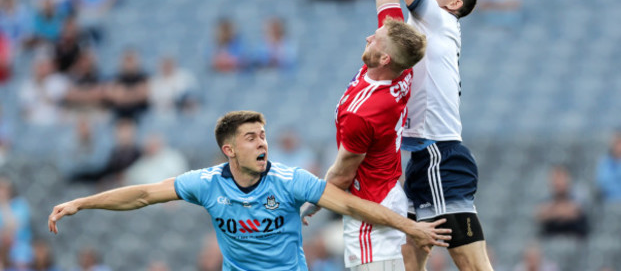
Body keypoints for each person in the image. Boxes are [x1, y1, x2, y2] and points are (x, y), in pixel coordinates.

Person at [48, 110, 452, 270]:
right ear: (229, 150)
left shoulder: (291, 181)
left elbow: (354, 206)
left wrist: (410, 227)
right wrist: (82, 202)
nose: (262, 143)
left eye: (263, 136)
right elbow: (141, 195)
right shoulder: (205, 184)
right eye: (251, 138)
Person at [303, 0, 428, 270]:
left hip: (371, 221)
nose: (369, 34)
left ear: (385, 55)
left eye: (375, 36)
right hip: (390, 194)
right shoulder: (394, 66)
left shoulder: (365, 110)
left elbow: (341, 175)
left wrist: (308, 202)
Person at [378, 0, 493, 270]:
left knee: (471, 262)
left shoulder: (440, 19)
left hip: (439, 153)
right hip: (423, 155)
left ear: (454, 2)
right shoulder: (433, 24)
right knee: (410, 252)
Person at [536, 165, 589, 238]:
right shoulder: (546, 195)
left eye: (560, 178)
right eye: (555, 179)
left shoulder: (580, 192)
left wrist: (553, 212)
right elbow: (540, 214)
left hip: (576, 236)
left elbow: (574, 213)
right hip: (550, 237)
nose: (558, 182)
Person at [596, 131, 621, 202]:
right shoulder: (605, 163)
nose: (620, 146)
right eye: (617, 143)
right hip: (610, 202)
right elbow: (604, 183)